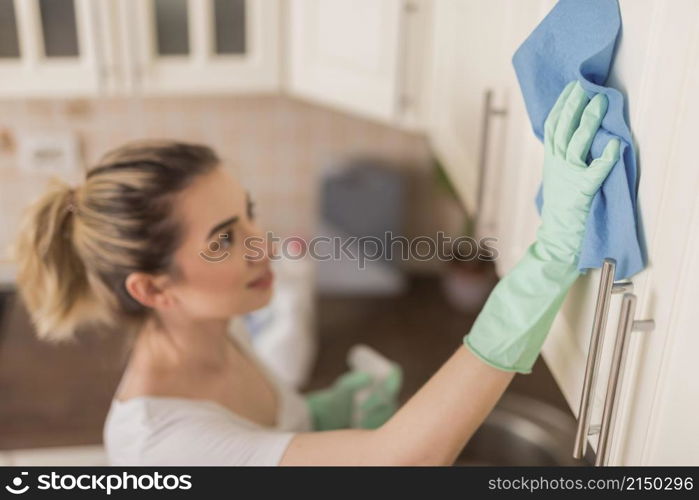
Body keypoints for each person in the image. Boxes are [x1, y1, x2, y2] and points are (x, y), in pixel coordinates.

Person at [11, 81, 619, 465]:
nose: (263, 246)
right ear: (153, 288)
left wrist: (315, 416)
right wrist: (552, 253)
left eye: (247, 215)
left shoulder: (217, 327)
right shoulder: (162, 442)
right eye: (226, 238)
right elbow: (400, 462)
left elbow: (262, 438)